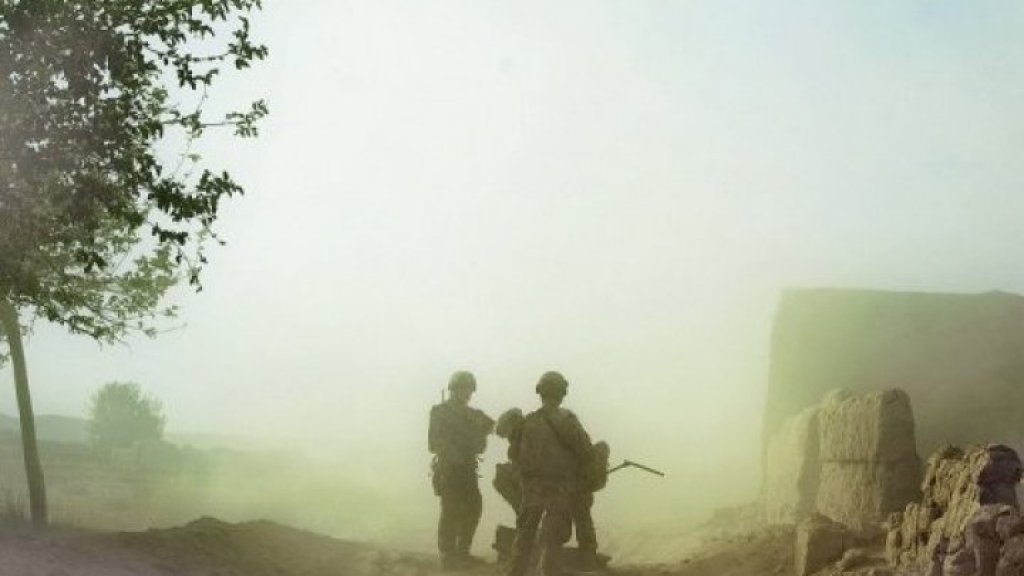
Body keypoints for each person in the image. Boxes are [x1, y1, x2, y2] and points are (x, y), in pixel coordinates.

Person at [506, 371, 594, 576]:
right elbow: (586, 451)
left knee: (525, 534)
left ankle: (516, 572)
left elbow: (514, 454)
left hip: (532, 489)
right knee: (553, 536)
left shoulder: (528, 421)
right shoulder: (567, 420)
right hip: (559, 488)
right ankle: (548, 572)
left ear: (541, 393)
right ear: (562, 393)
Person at [429, 370, 495, 571]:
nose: (468, 394)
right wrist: (453, 452)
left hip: (467, 469)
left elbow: (495, 427)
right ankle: (448, 557)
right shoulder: (440, 412)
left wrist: (484, 430)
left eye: (470, 390)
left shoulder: (473, 414)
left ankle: (462, 553)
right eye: (464, 389)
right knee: (450, 511)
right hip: (449, 470)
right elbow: (434, 443)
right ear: (454, 389)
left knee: (474, 508)